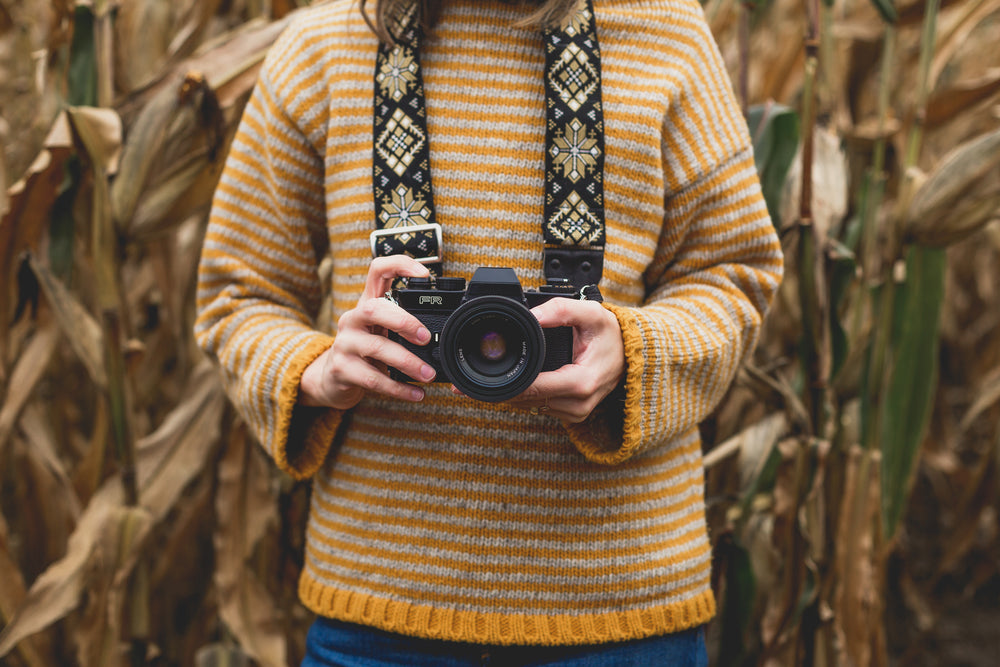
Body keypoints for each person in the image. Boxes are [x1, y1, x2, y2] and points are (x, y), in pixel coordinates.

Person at [194, 0, 783, 663]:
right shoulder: (324, 48)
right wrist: (315, 371)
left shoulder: (665, 33)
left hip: (624, 614)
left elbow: (734, 273)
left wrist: (632, 352)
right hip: (378, 611)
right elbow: (239, 294)